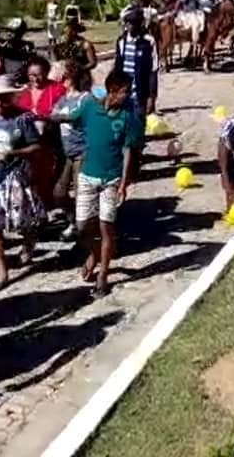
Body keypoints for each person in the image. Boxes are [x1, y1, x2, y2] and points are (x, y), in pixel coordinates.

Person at [65, 69, 142, 296]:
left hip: (112, 178)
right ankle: (95, 253)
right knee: (81, 227)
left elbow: (129, 151)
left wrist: (124, 184)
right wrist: (44, 116)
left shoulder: (128, 117)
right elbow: (71, 117)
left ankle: (103, 275)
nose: (127, 96)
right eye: (124, 92)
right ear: (112, 90)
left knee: (106, 226)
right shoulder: (90, 106)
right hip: (88, 174)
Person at [0, 75, 46, 290]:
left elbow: (37, 147)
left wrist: (14, 152)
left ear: (11, 97)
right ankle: (3, 272)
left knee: (23, 221)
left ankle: (29, 241)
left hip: (16, 177)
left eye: (4, 98)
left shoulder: (23, 118)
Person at [15, 55, 66, 209]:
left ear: (46, 72)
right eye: (31, 75)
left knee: (49, 176)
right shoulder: (23, 93)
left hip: (51, 141)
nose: (35, 79)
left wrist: (49, 120)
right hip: (29, 143)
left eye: (39, 74)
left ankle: (48, 204)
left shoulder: (57, 89)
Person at [113, 7, 158, 171]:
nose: (131, 27)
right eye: (128, 23)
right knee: (121, 128)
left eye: (134, 23)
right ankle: (124, 163)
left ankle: (136, 161)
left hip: (140, 94)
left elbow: (153, 70)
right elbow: (117, 66)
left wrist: (152, 97)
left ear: (140, 24)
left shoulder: (148, 42)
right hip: (123, 93)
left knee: (137, 129)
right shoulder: (121, 41)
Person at [51, 62, 92, 240]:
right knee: (59, 192)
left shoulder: (85, 98)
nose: (62, 81)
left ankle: (86, 231)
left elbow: (73, 116)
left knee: (81, 192)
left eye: (65, 78)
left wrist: (59, 117)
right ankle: (73, 220)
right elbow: (53, 113)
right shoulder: (63, 98)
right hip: (67, 152)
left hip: (82, 151)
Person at [0, 18, 35, 83]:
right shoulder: (3, 46)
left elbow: (33, 65)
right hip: (6, 79)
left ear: (20, 33)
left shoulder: (27, 47)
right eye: (8, 31)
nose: (9, 34)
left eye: (12, 31)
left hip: (23, 80)